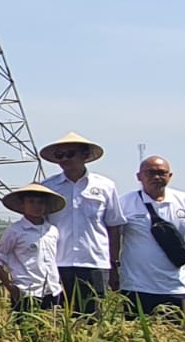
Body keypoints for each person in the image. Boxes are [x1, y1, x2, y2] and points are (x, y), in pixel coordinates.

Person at [39, 131, 125, 315]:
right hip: (57, 262)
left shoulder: (105, 186)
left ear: (85, 156)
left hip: (94, 262)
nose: (64, 159)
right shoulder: (48, 187)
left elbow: (114, 226)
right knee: (58, 317)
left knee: (92, 318)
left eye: (70, 154)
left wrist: (114, 263)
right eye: (59, 155)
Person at [117, 155, 185, 318]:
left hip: (176, 286)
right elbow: (114, 238)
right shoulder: (125, 203)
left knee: (182, 337)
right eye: (150, 173)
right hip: (137, 286)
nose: (156, 177)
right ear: (139, 176)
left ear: (170, 176)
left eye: (162, 173)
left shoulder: (184, 201)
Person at [0, 183, 66, 312]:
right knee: (25, 328)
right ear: (22, 205)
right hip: (26, 291)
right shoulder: (15, 230)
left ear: (46, 206)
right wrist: (10, 287)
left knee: (51, 330)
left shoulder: (52, 230)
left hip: (52, 290)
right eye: (31, 202)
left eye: (40, 202)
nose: (36, 206)